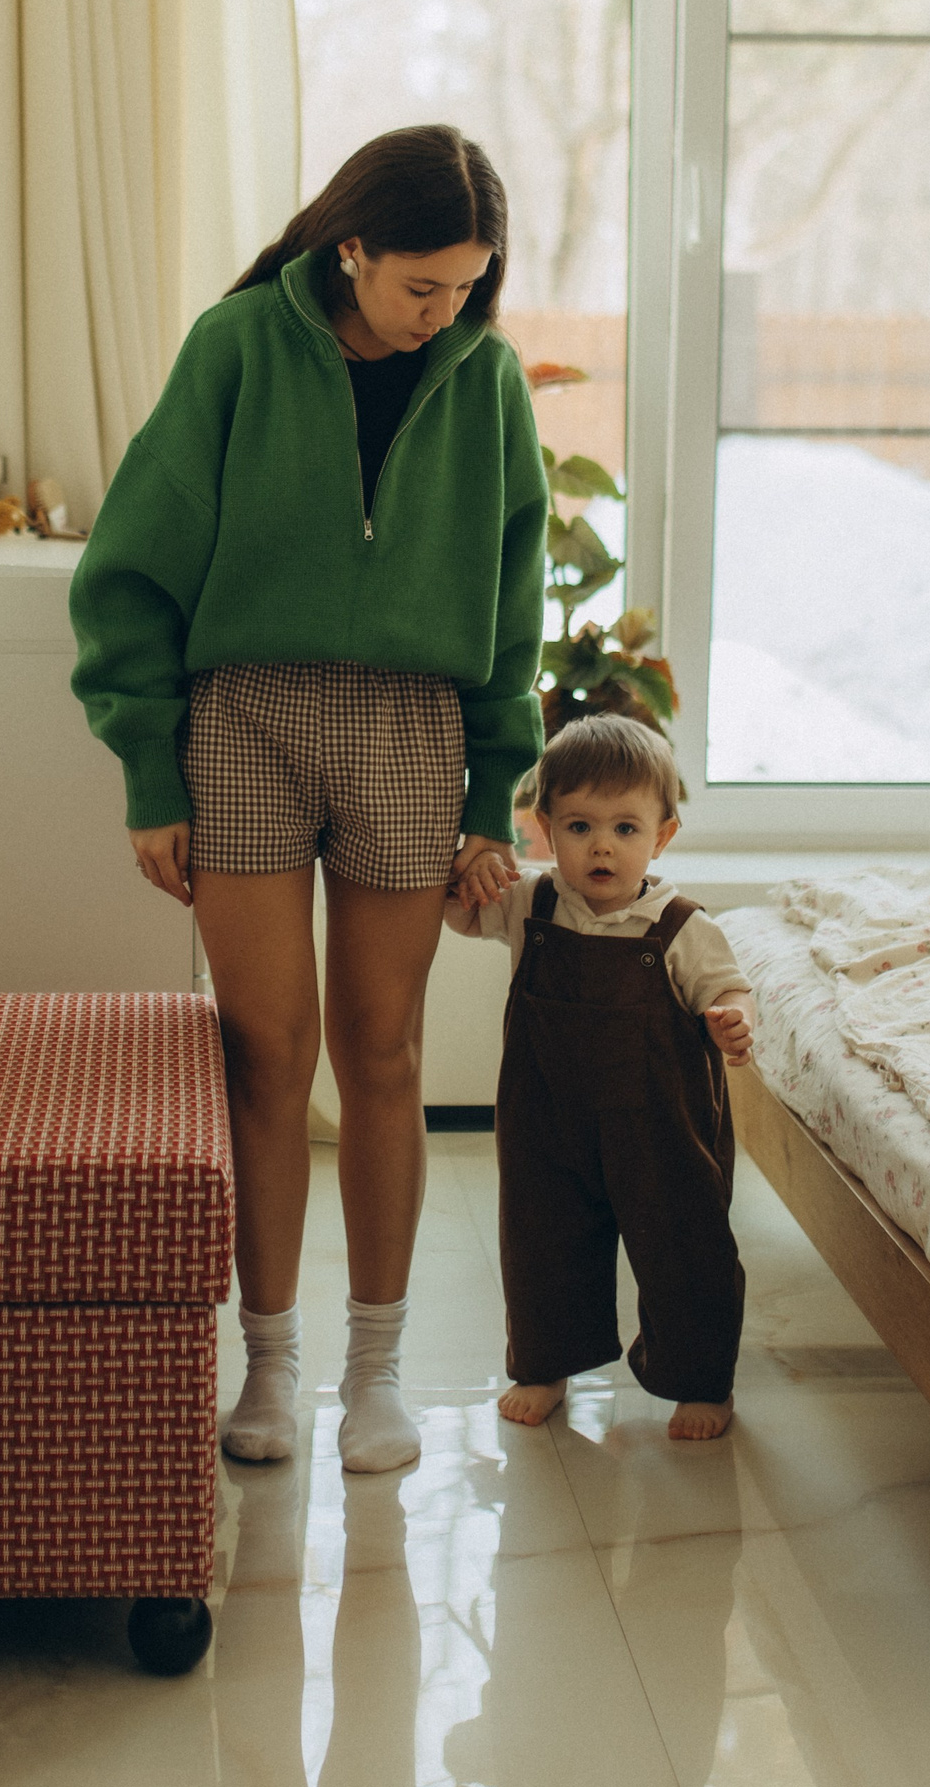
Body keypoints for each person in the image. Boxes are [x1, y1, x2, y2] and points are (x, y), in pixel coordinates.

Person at [69, 126, 547, 1473]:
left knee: (382, 1053)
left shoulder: (488, 382)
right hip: (245, 719)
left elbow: (516, 604)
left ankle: (376, 1373)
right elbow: (132, 565)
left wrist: (491, 792)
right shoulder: (236, 349)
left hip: (411, 725)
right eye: (421, 285)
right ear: (352, 249)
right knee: (266, 1053)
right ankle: (268, 1366)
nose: (443, 312)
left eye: (467, 285)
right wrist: (150, 768)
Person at [445, 714, 754, 1441]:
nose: (602, 846)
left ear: (662, 836)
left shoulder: (680, 925)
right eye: (580, 826)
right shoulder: (531, 902)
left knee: (686, 1247)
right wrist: (466, 876)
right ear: (545, 829)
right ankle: (544, 1366)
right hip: (547, 1120)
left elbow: (728, 985)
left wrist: (732, 1019)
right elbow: (458, 915)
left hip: (660, 1126)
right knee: (541, 1243)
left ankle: (700, 1381)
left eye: (624, 828)